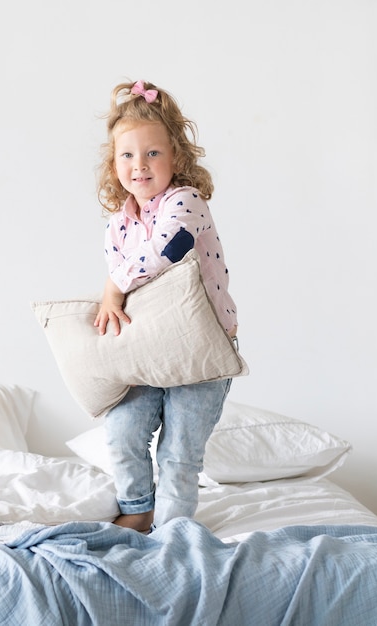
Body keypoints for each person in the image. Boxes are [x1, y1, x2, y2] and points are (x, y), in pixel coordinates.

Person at [94, 79, 238, 532]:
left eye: (153, 153)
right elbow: (125, 287)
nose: (140, 165)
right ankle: (138, 505)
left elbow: (167, 250)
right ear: (113, 163)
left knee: (179, 451)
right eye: (128, 155)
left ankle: (173, 531)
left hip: (200, 349)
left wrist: (113, 286)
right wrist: (112, 300)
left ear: (176, 156)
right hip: (150, 347)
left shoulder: (185, 202)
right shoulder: (118, 225)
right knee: (123, 430)